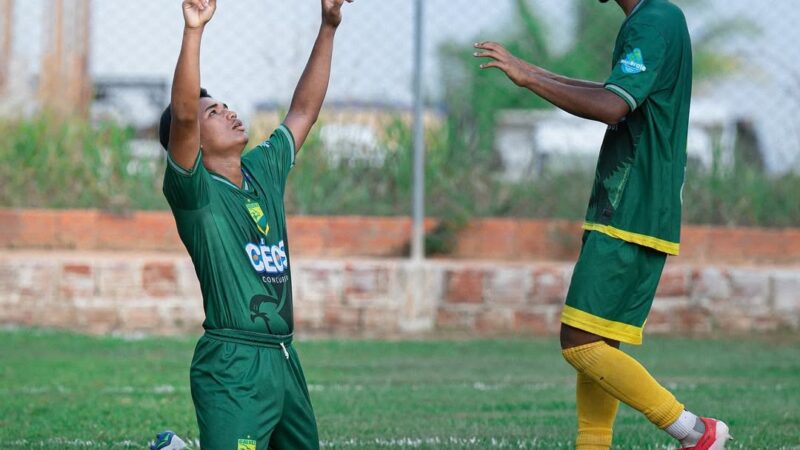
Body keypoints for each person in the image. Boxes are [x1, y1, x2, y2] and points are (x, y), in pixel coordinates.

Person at [474, 0, 730, 449]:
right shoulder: (657, 17)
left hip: (631, 208)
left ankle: (694, 432)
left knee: (579, 342)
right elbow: (614, 92)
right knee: (599, 340)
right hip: (635, 208)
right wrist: (533, 71)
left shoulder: (652, 22)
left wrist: (530, 78)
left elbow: (613, 106)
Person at [159, 0, 353, 448]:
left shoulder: (262, 170)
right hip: (233, 363)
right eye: (214, 113)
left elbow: (303, 112)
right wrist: (194, 30)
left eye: (226, 105)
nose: (229, 112)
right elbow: (183, 115)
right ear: (193, 141)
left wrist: (328, 26)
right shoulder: (195, 193)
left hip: (284, 358)